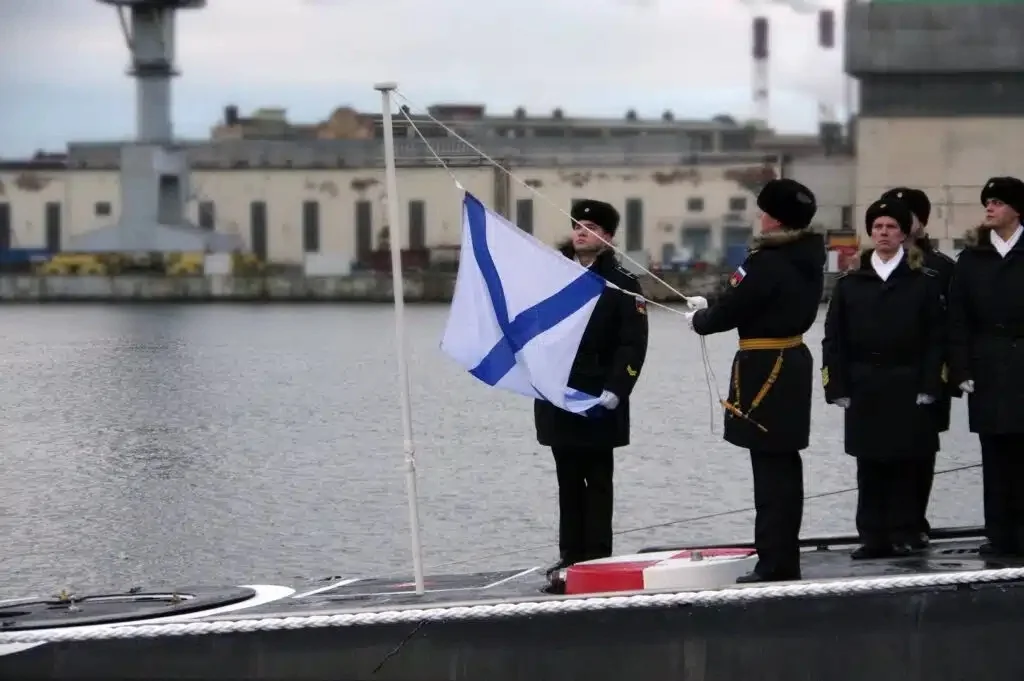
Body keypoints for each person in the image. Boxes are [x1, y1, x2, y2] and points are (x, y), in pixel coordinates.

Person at [685, 178, 824, 583]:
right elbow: (758, 303)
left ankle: (775, 564)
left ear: (776, 218)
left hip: (766, 367)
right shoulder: (807, 257)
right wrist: (713, 307)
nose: (758, 217)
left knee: (770, 471)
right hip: (791, 360)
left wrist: (701, 319)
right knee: (784, 465)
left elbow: (736, 307)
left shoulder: (767, 261)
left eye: (764, 210)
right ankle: (782, 557)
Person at [821, 198, 945, 559]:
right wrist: (836, 386)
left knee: (907, 461)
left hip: (908, 381)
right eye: (877, 227)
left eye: (891, 227)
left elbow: (936, 340)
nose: (884, 233)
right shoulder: (851, 283)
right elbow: (834, 339)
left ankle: (905, 532)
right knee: (870, 463)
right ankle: (873, 536)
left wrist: (930, 385)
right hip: (864, 384)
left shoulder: (922, 282)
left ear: (904, 234)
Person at [535, 199, 650, 576]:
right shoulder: (552, 274)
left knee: (598, 481)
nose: (581, 232)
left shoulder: (622, 283)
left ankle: (599, 558)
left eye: (591, 227)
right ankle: (570, 556)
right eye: (577, 225)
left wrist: (618, 388)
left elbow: (632, 342)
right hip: (559, 393)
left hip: (600, 396)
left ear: (607, 237)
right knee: (567, 481)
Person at [948, 176, 1024, 556]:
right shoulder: (972, 260)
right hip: (989, 365)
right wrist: (961, 370)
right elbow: (958, 320)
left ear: (1016, 209)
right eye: (987, 202)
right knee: (994, 455)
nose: (989, 209)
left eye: (996, 202)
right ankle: (1000, 534)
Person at [879, 187, 958, 549]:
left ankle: (912, 524)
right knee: (878, 453)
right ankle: (881, 527)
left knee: (919, 454)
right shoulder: (873, 266)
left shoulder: (940, 268)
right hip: (882, 379)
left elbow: (955, 327)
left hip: (927, 376)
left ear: (919, 221)